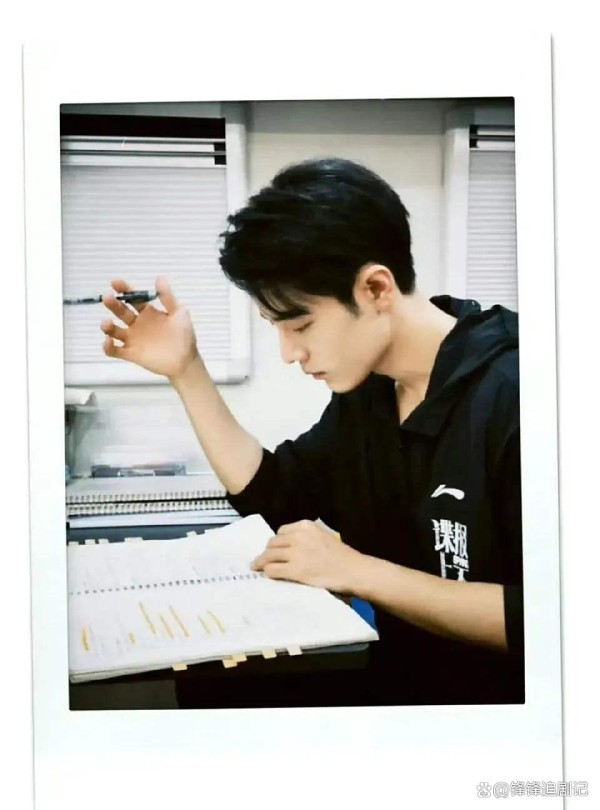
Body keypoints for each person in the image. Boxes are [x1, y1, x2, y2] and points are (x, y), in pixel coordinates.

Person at [100, 157, 524, 705]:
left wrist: (357, 571)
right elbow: (274, 494)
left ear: (376, 288)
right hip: (402, 689)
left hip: (505, 717)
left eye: (300, 324)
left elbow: (552, 618)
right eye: (276, 327)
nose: (289, 353)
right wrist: (187, 370)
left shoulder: (522, 392)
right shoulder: (370, 392)